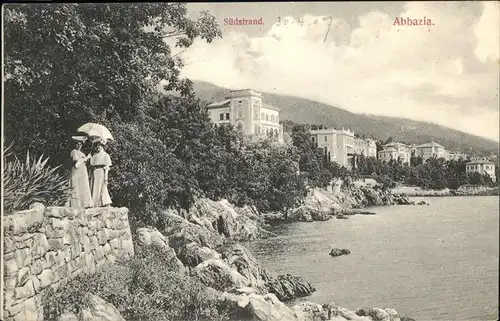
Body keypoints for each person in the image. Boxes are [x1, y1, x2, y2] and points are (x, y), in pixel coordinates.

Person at [68, 138, 93, 208]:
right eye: (77, 144)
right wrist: (86, 158)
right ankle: (75, 203)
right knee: (76, 184)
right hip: (76, 170)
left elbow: (86, 162)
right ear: (75, 145)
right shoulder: (74, 151)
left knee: (83, 185)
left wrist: (87, 157)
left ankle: (84, 203)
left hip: (83, 171)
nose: (79, 146)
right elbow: (75, 160)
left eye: (80, 144)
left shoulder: (83, 153)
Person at [90, 139, 112, 207]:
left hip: (101, 172)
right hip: (94, 172)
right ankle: (94, 203)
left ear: (103, 146)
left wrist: (106, 176)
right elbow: (91, 164)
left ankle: (104, 202)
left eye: (100, 146)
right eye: (97, 146)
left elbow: (107, 166)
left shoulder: (106, 155)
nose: (98, 147)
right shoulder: (94, 155)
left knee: (102, 187)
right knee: (94, 187)